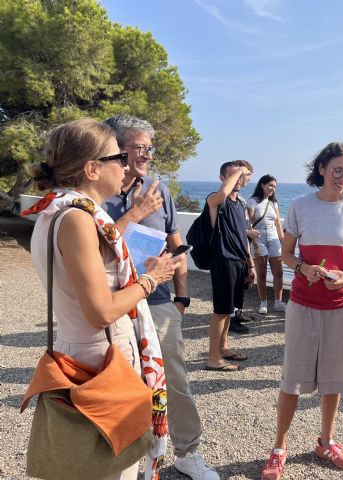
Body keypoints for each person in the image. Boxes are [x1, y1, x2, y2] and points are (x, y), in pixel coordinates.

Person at [24, 119, 177, 480]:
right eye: (119, 158)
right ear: (92, 168)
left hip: (80, 350)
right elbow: (100, 312)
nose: (126, 166)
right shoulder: (78, 219)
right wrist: (151, 279)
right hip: (104, 358)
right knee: (113, 467)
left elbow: (98, 257)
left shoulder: (56, 212)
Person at [100, 115, 219, 480]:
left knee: (175, 380)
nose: (148, 155)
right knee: (117, 384)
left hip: (158, 302)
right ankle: (122, 456)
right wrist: (136, 213)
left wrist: (182, 297)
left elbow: (176, 247)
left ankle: (187, 452)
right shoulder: (96, 193)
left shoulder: (158, 189)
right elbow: (92, 250)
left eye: (150, 148)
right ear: (116, 149)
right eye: (140, 147)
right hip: (112, 307)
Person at [260, 142, 343, 480]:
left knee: (335, 379)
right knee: (292, 378)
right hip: (305, 304)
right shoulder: (300, 206)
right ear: (321, 168)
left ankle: (326, 441)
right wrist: (304, 268)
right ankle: (279, 447)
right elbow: (287, 253)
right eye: (337, 170)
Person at [205, 161, 256, 371]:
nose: (238, 178)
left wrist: (250, 264)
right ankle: (213, 358)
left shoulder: (240, 204)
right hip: (223, 260)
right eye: (232, 175)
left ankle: (223, 347)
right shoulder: (216, 200)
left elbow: (242, 236)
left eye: (241, 175)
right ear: (222, 178)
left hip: (239, 261)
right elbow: (222, 193)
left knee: (231, 310)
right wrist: (238, 172)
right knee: (221, 310)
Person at [247, 174, 287, 315]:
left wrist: (284, 244)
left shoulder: (273, 203)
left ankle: (278, 302)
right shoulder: (252, 202)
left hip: (273, 237)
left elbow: (277, 224)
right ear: (262, 185)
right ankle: (263, 303)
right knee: (262, 273)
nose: (272, 189)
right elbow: (249, 224)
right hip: (259, 237)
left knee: (279, 272)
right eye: (270, 185)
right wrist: (256, 246)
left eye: (275, 186)